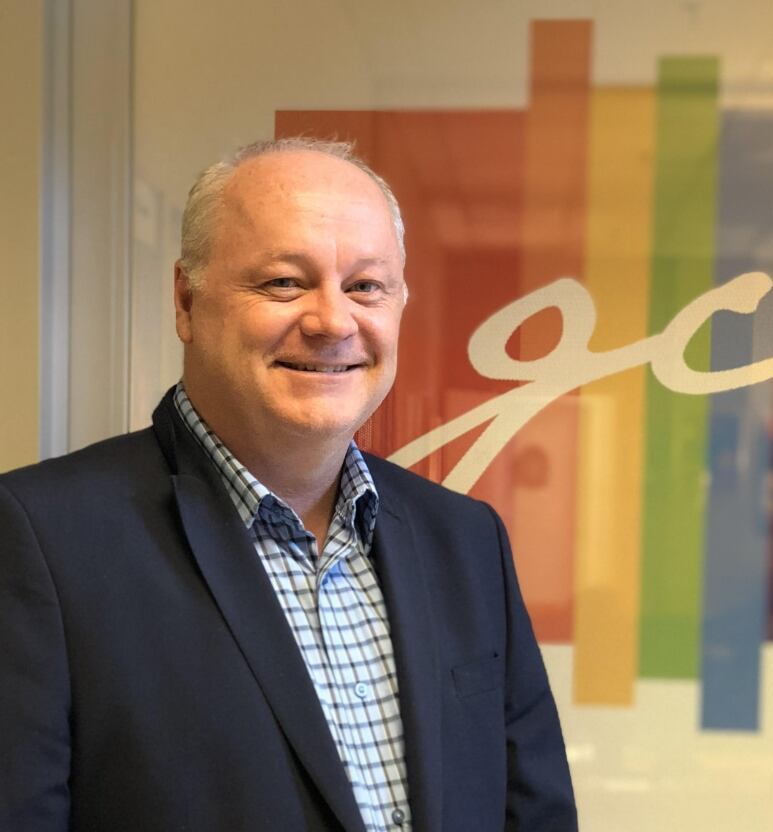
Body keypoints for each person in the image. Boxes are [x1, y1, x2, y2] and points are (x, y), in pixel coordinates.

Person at [0, 137, 577, 831]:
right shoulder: (43, 540)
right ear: (187, 300)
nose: (333, 321)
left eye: (366, 286)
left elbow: (534, 814)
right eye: (283, 282)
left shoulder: (465, 541)